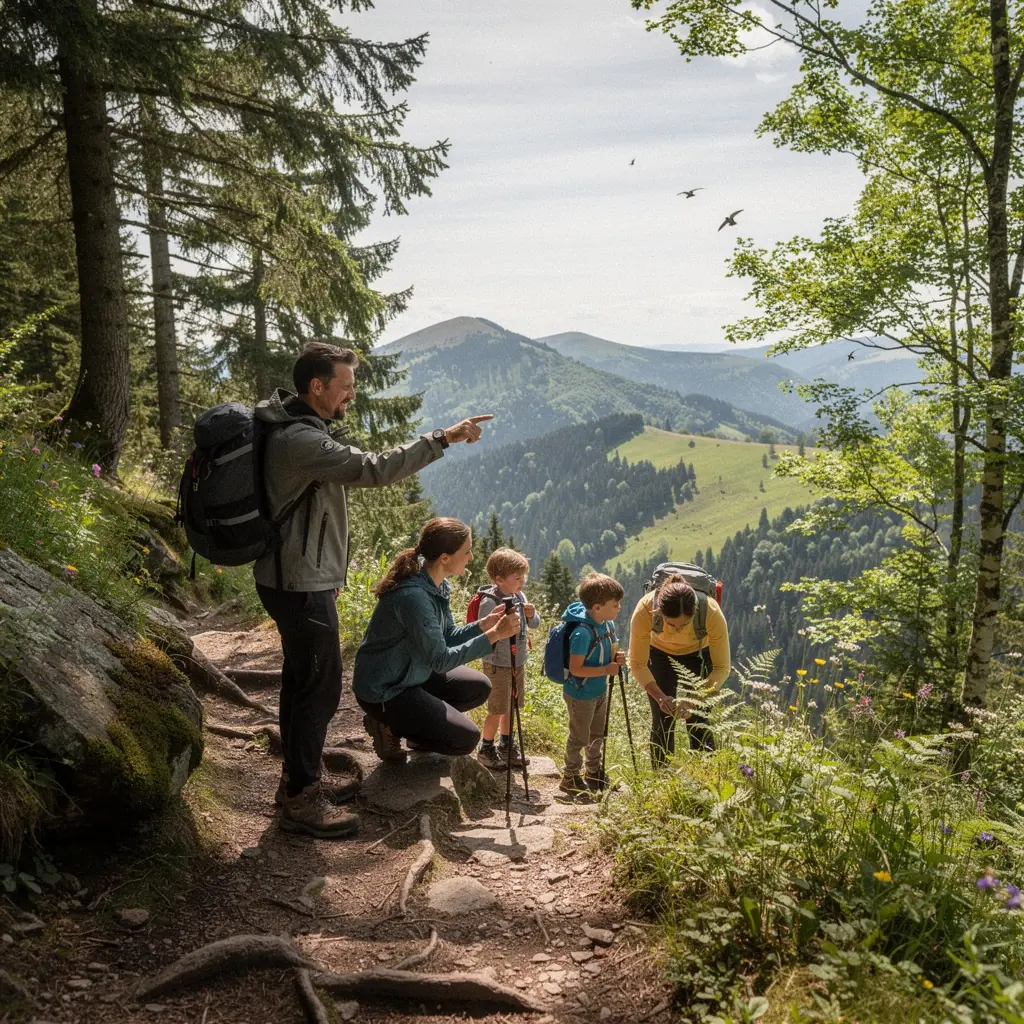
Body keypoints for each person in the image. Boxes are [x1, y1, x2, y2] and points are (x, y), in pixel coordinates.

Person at [255, 342, 493, 840]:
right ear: (316, 386)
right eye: (345, 387)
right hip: (299, 583)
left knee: (303, 683)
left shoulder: (298, 430)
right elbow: (375, 469)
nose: (351, 396)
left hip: (300, 579)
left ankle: (297, 782)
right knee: (316, 689)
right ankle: (301, 796)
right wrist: (442, 438)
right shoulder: (301, 440)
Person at [353, 517, 520, 760]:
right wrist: (495, 634)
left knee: (479, 687)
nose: (471, 557)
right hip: (386, 689)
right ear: (445, 558)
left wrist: (482, 626)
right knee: (465, 740)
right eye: (467, 551)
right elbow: (441, 661)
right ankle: (387, 724)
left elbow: (446, 636)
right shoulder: (415, 598)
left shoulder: (437, 585)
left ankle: (414, 729)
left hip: (412, 672)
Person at [628, 575, 731, 767]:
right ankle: (662, 780)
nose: (677, 630)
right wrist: (660, 697)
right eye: (671, 623)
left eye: (683, 625)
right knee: (663, 718)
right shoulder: (645, 609)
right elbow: (638, 664)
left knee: (699, 718)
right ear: (659, 611)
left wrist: (694, 698)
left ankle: (706, 782)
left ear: (695, 612)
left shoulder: (710, 611)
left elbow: (722, 668)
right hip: (659, 653)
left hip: (699, 653)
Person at [558, 572, 627, 797]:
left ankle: (593, 772)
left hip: (598, 691)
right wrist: (606, 670)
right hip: (580, 694)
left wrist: (617, 659)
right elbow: (576, 668)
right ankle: (570, 777)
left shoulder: (607, 627)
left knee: (597, 733)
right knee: (579, 735)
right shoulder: (582, 633)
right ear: (597, 607)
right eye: (615, 604)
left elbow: (608, 654)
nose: (619, 608)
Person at [474, 548, 541, 770]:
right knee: (497, 707)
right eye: (517, 577)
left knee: (512, 706)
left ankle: (506, 744)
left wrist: (532, 616)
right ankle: (486, 747)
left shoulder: (520, 596)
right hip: (497, 663)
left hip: (518, 660)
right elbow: (486, 631)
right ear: (499, 579)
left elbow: (535, 624)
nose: (523, 581)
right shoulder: (490, 601)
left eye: (524, 576)